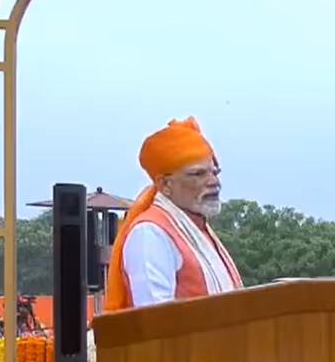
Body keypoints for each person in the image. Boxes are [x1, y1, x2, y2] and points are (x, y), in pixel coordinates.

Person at [104, 117, 243, 311]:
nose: (213, 182)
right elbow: (158, 322)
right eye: (198, 174)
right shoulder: (150, 233)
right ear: (166, 185)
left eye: (215, 173)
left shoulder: (198, 227)